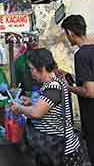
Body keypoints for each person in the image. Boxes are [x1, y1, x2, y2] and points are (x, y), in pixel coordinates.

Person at [11, 48, 81, 166]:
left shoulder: (53, 87)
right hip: (55, 148)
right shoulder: (52, 84)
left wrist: (19, 107)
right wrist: (30, 102)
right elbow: (47, 108)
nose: (31, 72)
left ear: (42, 68)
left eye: (32, 68)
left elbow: (36, 113)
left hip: (62, 150)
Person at [61, 14, 94, 166]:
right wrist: (70, 76)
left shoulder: (81, 55)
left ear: (70, 32)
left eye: (66, 34)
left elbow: (89, 91)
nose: (67, 38)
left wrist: (67, 87)